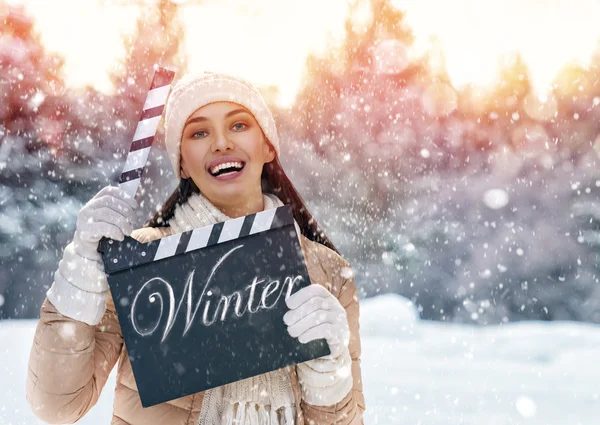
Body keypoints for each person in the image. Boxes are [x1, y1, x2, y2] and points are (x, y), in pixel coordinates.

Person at [26, 72, 365, 425]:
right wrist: (81, 272)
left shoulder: (327, 272)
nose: (221, 144)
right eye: (199, 132)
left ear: (268, 147)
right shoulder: (140, 262)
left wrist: (329, 370)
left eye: (238, 125)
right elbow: (57, 405)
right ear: (182, 164)